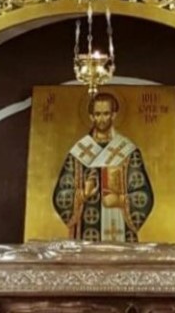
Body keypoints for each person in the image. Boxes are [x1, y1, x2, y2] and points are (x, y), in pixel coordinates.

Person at [52, 92, 153, 242]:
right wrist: (83, 194)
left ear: (114, 115)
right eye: (97, 114)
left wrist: (120, 200)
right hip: (87, 229)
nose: (101, 119)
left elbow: (144, 194)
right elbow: (61, 195)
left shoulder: (128, 151)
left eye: (106, 113)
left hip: (121, 228)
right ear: (91, 116)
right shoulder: (79, 152)